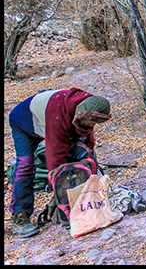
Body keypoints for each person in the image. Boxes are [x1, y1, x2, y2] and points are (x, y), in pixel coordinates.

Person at [8, 88, 112, 238]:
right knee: (25, 165)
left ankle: (79, 199)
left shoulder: (91, 106)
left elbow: (86, 140)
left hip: (51, 120)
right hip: (24, 122)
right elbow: (56, 164)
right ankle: (20, 215)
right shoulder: (59, 118)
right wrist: (62, 195)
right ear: (80, 115)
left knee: (78, 153)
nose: (91, 126)